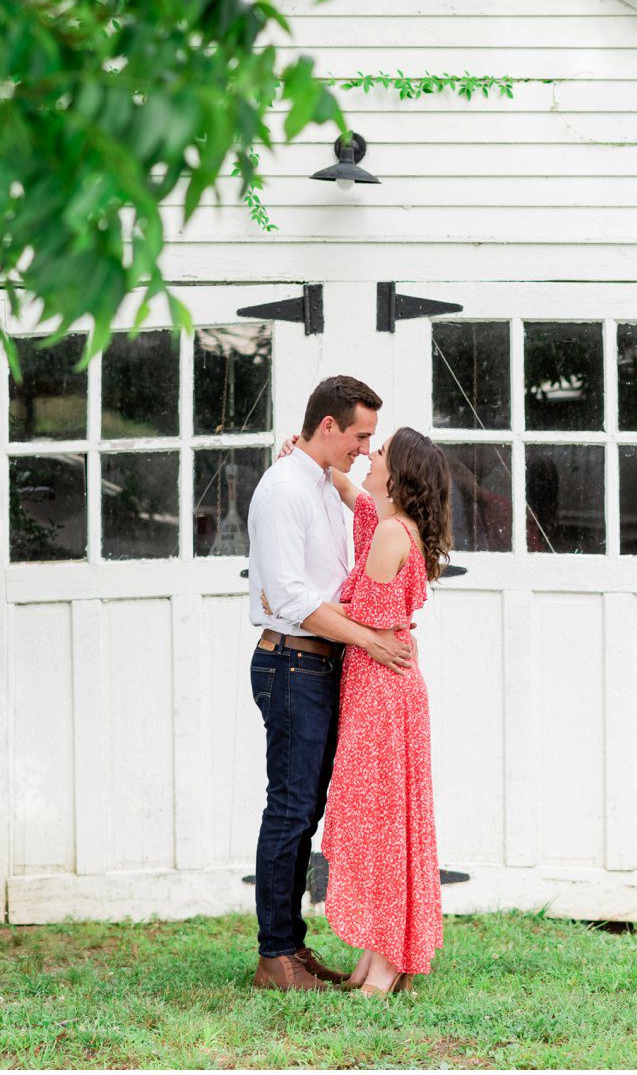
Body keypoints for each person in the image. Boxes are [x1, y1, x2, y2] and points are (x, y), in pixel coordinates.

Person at [246, 376, 415, 992]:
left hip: (319, 663)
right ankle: (276, 958)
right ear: (329, 427)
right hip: (292, 661)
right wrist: (370, 640)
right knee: (290, 809)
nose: (366, 450)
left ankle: (290, 946)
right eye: (360, 436)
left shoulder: (316, 480)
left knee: (306, 808)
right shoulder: (285, 487)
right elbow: (290, 596)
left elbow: (359, 516)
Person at [319, 427, 451, 995]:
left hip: (381, 686)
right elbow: (359, 497)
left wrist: (297, 601)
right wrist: (322, 467)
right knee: (384, 824)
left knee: (380, 823)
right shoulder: (397, 525)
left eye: (380, 453)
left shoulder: (391, 535)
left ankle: (390, 961)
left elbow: (362, 615)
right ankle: (378, 955)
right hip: (383, 684)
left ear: (397, 477)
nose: (369, 457)